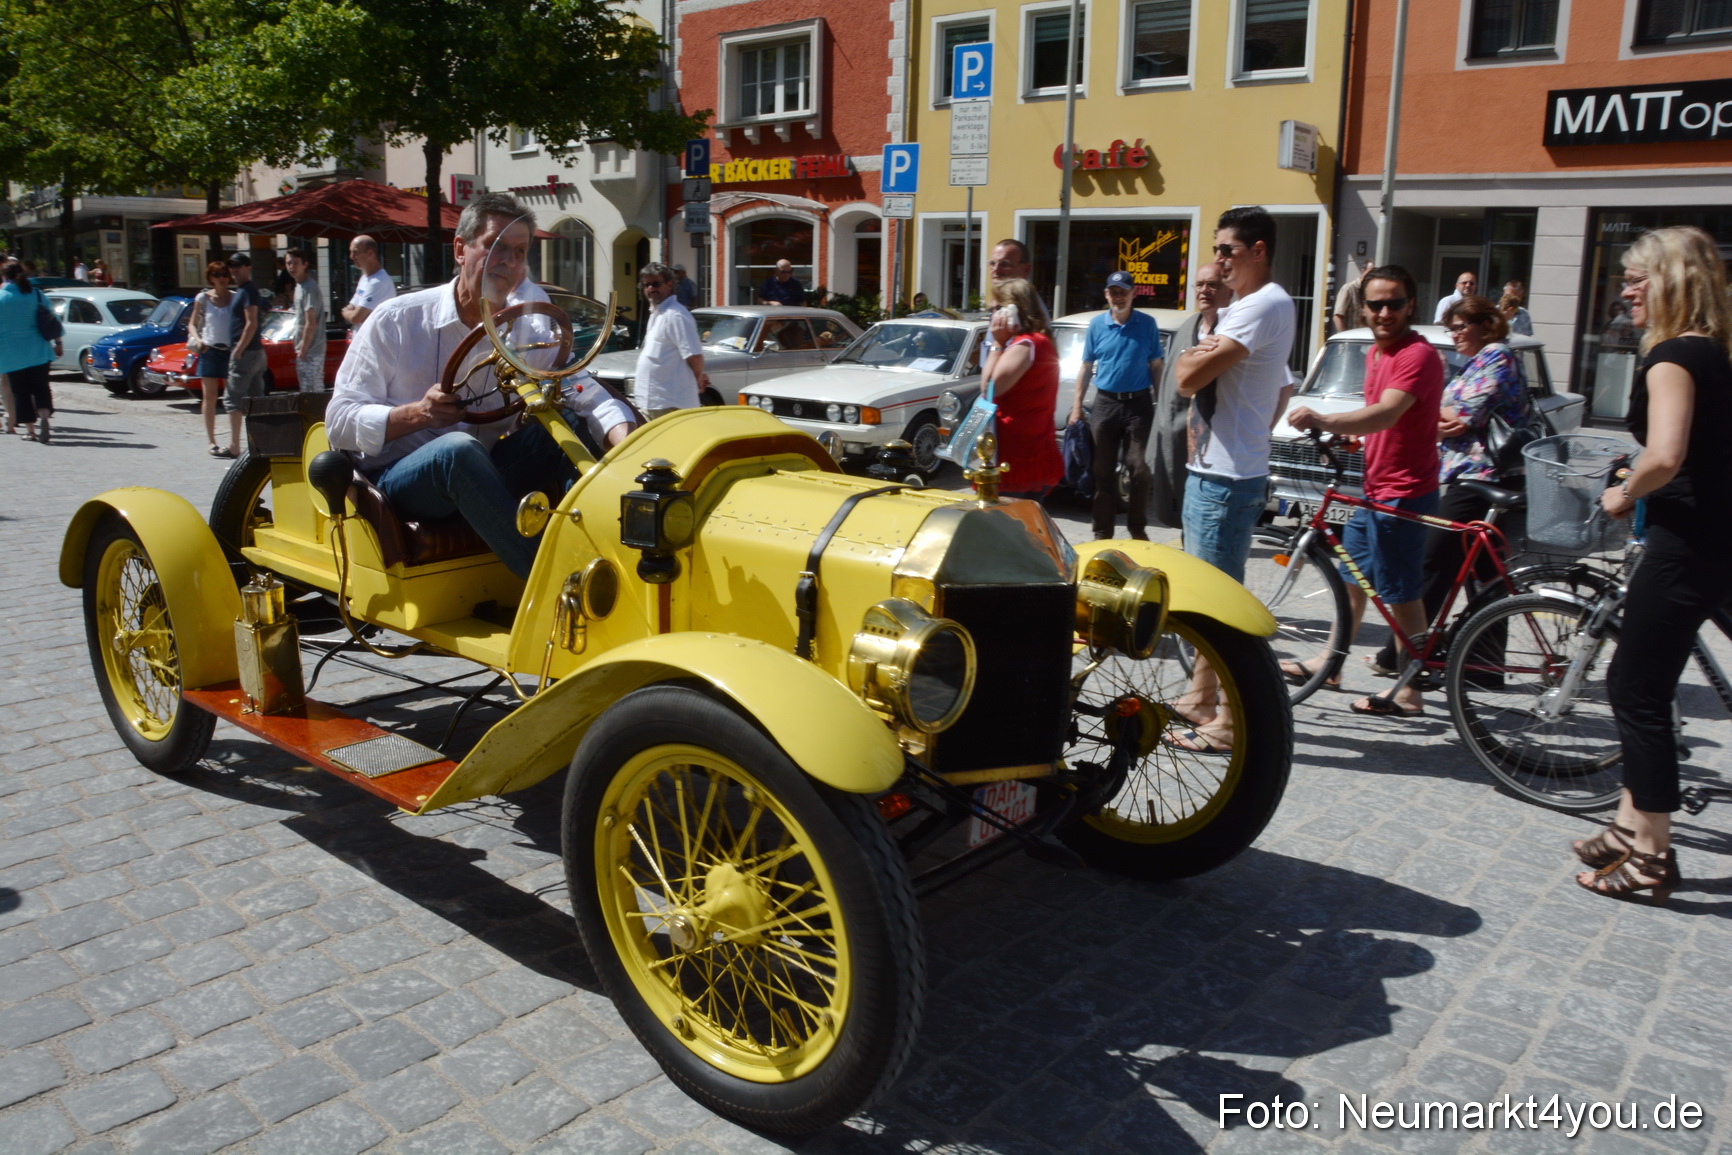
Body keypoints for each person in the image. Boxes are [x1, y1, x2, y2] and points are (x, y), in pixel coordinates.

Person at [327, 192, 636, 580]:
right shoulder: (397, 320)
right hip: (402, 485)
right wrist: (418, 415)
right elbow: (338, 422)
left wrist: (627, 443)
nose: (507, 262)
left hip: (485, 476)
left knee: (568, 426)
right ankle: (550, 586)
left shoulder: (529, 328)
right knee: (456, 450)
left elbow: (582, 392)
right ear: (461, 248)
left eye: (519, 251)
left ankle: (599, 552)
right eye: (495, 247)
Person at [1574, 226, 1732, 903]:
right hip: (1715, 538)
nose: (1626, 288)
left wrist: (1623, 489)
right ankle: (1627, 821)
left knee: (1636, 688)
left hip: (1683, 543)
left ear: (1673, 282)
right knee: (1648, 683)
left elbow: (1666, 456)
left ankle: (1653, 855)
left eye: (1639, 277)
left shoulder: (1671, 356)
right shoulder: (1716, 353)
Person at [1287, 264, 1444, 718]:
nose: (1384, 312)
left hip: (1404, 493)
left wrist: (1322, 418)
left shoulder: (1417, 355)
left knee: (1401, 592)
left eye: (1394, 303)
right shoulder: (1376, 355)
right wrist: (1351, 439)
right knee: (1353, 575)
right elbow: (1379, 420)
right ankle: (1331, 664)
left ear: (1410, 305)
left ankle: (1411, 692)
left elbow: (1387, 413)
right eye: (1375, 304)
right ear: (1363, 307)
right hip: (1376, 490)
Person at [1167, 206, 1295, 754]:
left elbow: (1186, 376)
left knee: (1219, 611)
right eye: (1216, 250)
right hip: (1218, 470)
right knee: (1206, 598)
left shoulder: (1261, 305)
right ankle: (1200, 698)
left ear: (1258, 251)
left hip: (1226, 477)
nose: (1217, 260)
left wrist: (1196, 354)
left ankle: (1229, 720)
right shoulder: (1250, 307)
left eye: (1227, 250)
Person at [1370, 294, 1531, 675]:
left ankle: (1402, 658)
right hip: (1468, 474)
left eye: (1461, 326)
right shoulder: (1476, 362)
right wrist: (1441, 416)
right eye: (1450, 328)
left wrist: (1435, 412)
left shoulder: (1498, 356)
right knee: (1483, 573)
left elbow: (1459, 413)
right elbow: (1446, 416)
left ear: (1486, 325)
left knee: (1432, 560)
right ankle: (1484, 665)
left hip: (1481, 477)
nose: (1454, 334)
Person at [1069, 270, 1164, 539]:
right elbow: (1086, 367)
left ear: (1134, 293)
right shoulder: (1097, 325)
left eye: (1123, 291)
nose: (1118, 297)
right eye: (1114, 292)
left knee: (1139, 468)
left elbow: (1156, 367)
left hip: (1139, 405)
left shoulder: (1147, 324)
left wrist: (1163, 406)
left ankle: (1137, 529)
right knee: (1102, 471)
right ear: (1106, 294)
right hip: (1106, 404)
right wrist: (1077, 407)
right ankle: (1102, 532)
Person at [1150, 263, 1234, 528]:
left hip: (1216, 447)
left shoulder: (1234, 330)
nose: (1204, 291)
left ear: (1228, 291)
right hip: (1178, 441)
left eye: (1213, 285)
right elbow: (1167, 391)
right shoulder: (1189, 327)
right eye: (1199, 285)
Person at [983, 278, 1063, 499]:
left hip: (1018, 454)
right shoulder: (1035, 341)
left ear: (1013, 310)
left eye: (997, 308)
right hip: (1027, 447)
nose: (993, 315)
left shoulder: (1027, 344)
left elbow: (990, 387)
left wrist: (997, 344)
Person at [635, 261, 710, 419]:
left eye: (655, 284)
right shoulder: (657, 313)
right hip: (654, 401)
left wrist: (698, 378)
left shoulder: (676, 315)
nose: (650, 289)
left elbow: (694, 355)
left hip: (670, 404)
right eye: (646, 285)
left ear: (669, 284)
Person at [0, 261, 59, 443]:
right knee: (41, 388)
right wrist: (59, 342)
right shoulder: (37, 294)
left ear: (4, 276)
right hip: (39, 349)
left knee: (21, 391)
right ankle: (44, 417)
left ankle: (30, 431)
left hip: (12, 352)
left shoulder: (1, 297)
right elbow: (52, 319)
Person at [185, 260, 239, 458]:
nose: (222, 279)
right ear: (210, 278)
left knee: (232, 398)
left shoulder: (235, 297)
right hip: (209, 350)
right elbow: (192, 324)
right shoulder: (203, 298)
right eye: (217, 275)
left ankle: (234, 441)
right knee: (209, 396)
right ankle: (211, 441)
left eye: (225, 274)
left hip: (230, 352)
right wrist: (198, 340)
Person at [225, 252, 269, 431]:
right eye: (232, 266)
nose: (234, 270)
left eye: (238, 266)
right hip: (254, 352)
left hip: (247, 352)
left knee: (232, 399)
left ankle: (235, 445)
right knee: (256, 400)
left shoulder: (248, 290)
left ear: (248, 268)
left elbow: (252, 322)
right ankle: (262, 441)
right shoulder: (243, 290)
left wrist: (239, 348)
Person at [285, 246, 326, 391]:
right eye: (289, 263)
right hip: (307, 350)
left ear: (305, 264)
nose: (291, 267)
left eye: (295, 263)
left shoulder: (309, 287)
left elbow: (311, 322)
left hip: (312, 350)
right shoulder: (299, 286)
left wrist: (303, 348)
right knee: (310, 391)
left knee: (311, 393)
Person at [341, 235, 395, 333]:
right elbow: (353, 308)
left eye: (356, 252)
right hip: (361, 340)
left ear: (370, 254)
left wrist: (345, 311)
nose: (351, 257)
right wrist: (353, 312)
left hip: (373, 345)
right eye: (351, 252)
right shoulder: (364, 278)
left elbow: (355, 318)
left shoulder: (379, 281)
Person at [1332, 256, 1367, 332]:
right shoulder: (1349, 288)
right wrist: (1345, 339)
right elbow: (1338, 316)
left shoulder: (1369, 292)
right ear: (1363, 271)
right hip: (1351, 340)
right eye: (1371, 272)